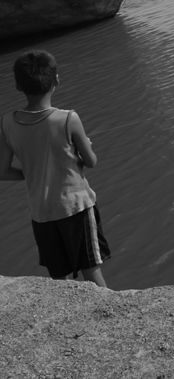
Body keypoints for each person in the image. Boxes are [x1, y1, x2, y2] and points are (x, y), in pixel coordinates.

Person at [0, 51, 110, 287]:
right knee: (91, 270)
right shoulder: (68, 118)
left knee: (59, 279)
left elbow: (3, 171)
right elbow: (91, 161)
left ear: (18, 85)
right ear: (57, 80)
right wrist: (81, 153)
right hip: (76, 208)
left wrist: (33, 172)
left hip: (42, 214)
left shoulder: (7, 122)